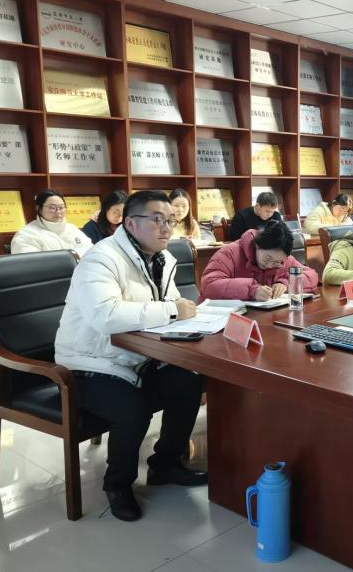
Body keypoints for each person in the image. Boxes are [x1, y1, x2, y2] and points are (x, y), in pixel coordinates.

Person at [54, 190, 206, 522]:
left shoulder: (163, 258)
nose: (166, 228)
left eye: (170, 220)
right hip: (87, 364)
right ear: (130, 223)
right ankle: (118, 484)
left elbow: (173, 306)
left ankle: (165, 464)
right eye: (157, 219)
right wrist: (171, 311)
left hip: (137, 358)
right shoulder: (101, 258)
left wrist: (186, 317)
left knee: (188, 382)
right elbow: (105, 316)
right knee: (133, 410)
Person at [200, 220, 318, 302]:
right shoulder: (229, 253)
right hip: (226, 320)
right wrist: (251, 290)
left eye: (277, 262)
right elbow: (208, 286)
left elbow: (311, 276)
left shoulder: (283, 259)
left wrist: (286, 283)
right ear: (257, 245)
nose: (271, 265)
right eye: (267, 258)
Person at [10, 189, 93, 256]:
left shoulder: (73, 229)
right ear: (39, 208)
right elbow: (30, 264)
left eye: (61, 207)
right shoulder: (26, 234)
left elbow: (92, 252)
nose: (58, 212)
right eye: (52, 208)